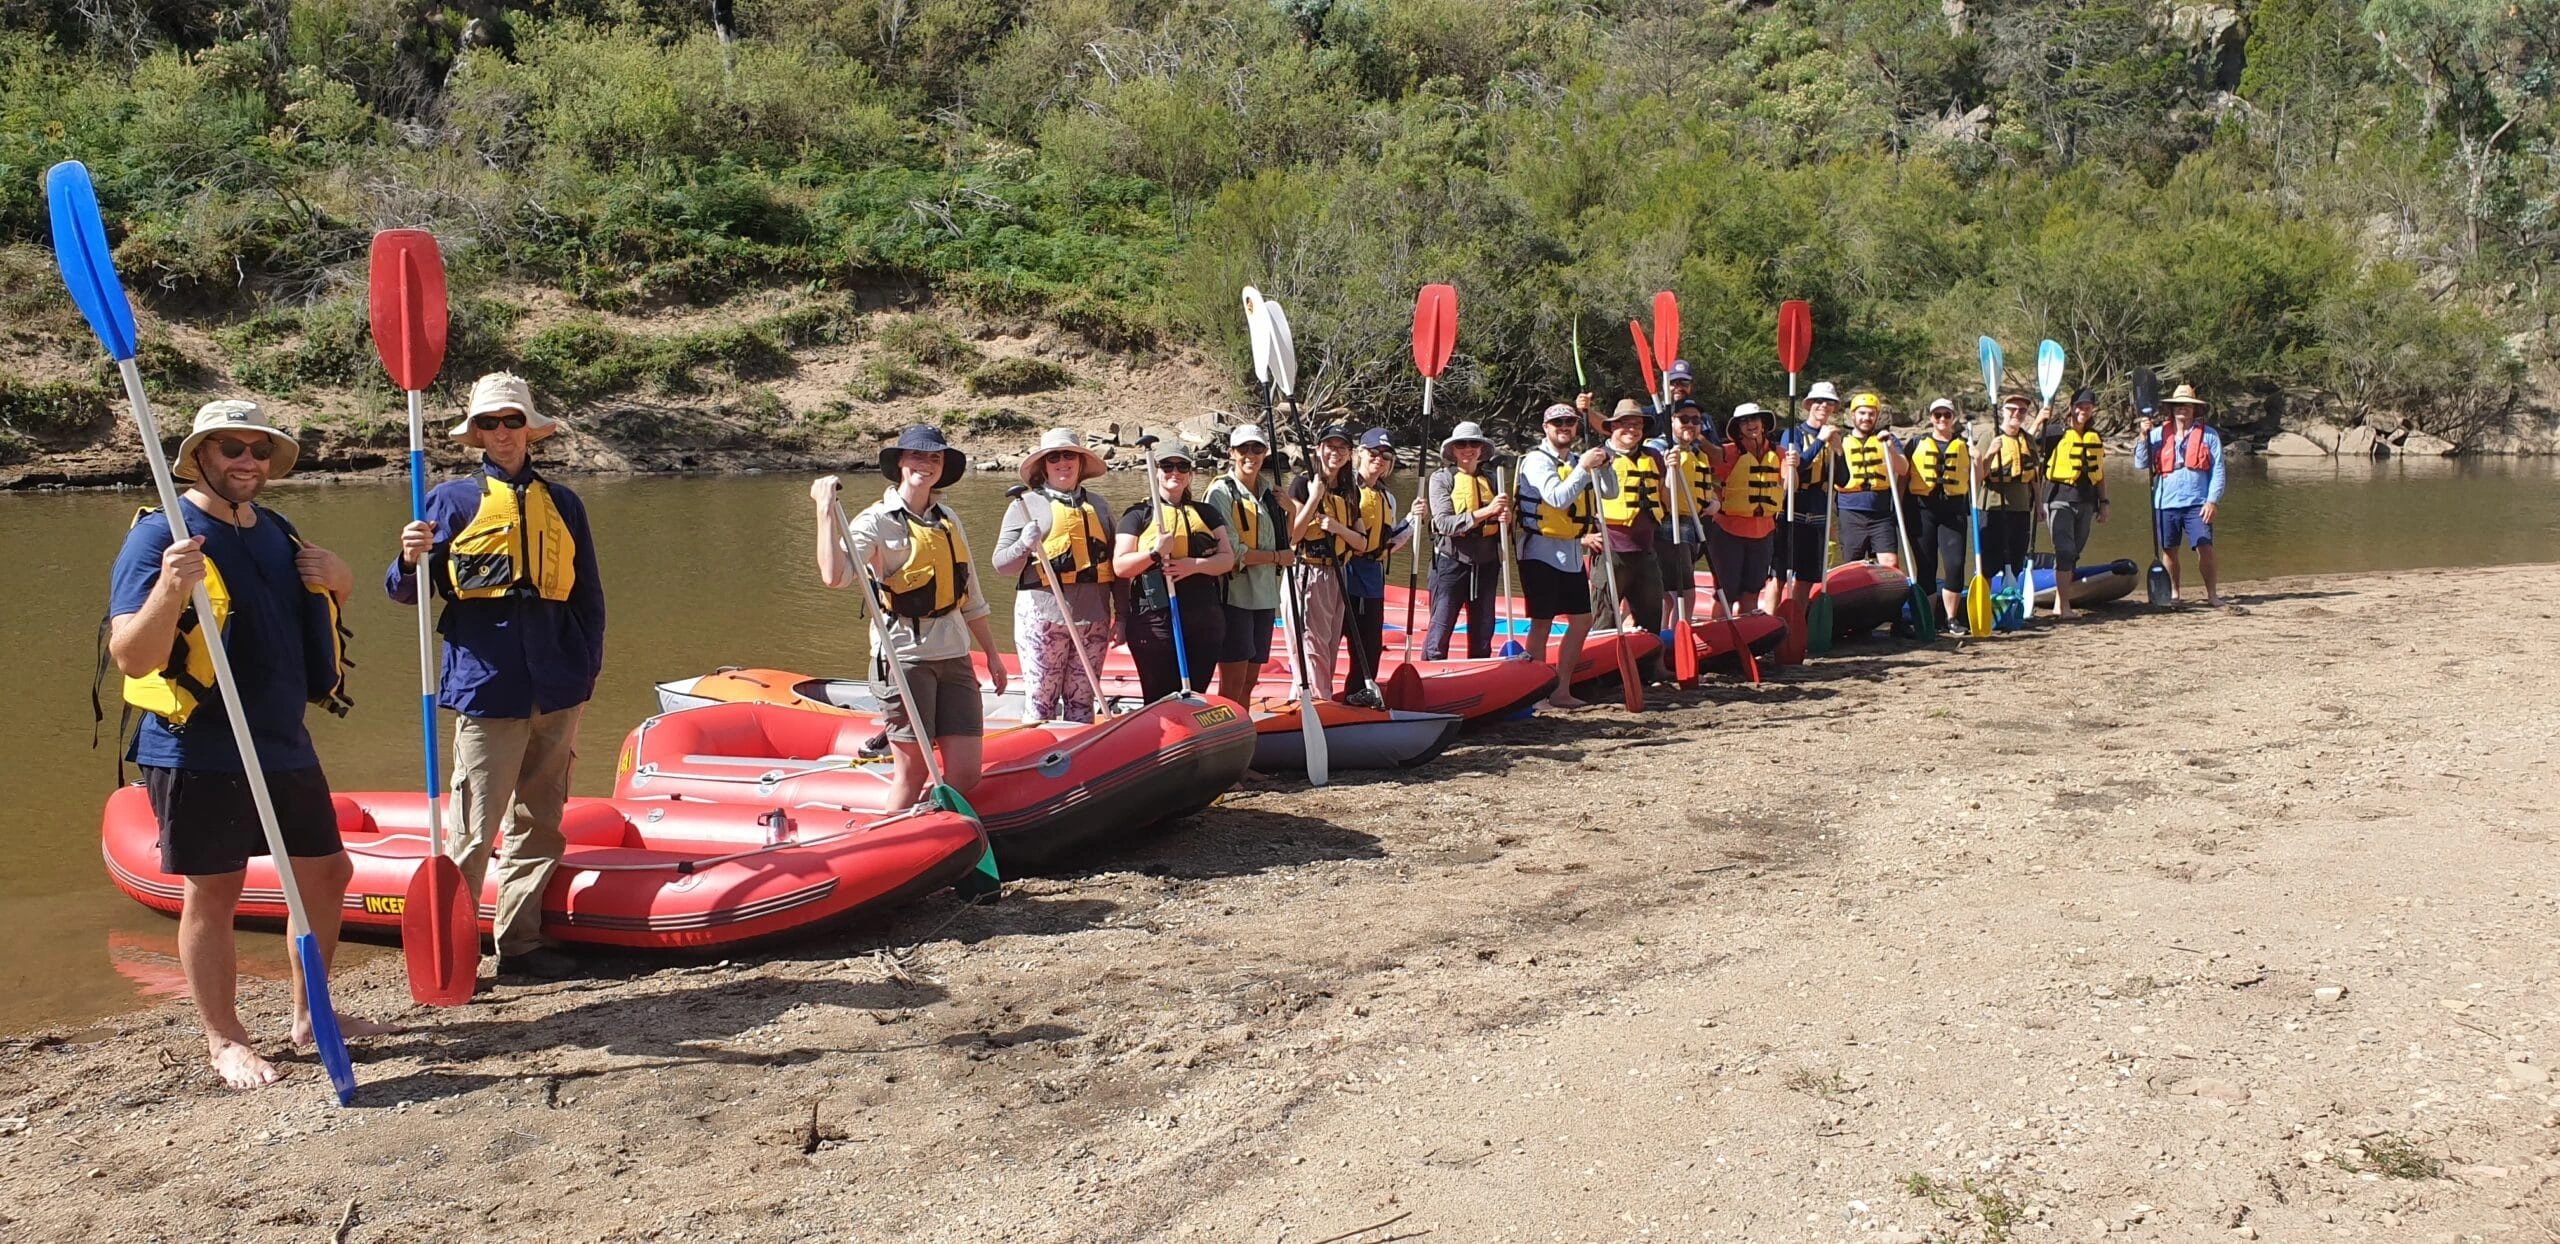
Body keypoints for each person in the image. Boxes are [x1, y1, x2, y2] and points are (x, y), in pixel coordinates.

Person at [110, 400, 387, 1088]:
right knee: (215, 889)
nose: (248, 462)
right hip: (197, 745)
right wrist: (171, 592)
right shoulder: (162, 536)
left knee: (327, 873)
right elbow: (131, 655)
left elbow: (312, 617)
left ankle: (307, 1014)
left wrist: (343, 582)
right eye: (231, 448)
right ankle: (225, 1039)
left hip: (280, 739)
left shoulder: (280, 532)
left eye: (259, 451)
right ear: (200, 455)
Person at [391, 373, 605, 983]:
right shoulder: (448, 501)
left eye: (513, 422)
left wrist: (586, 668)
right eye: (489, 424)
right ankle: (453, 952)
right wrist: (409, 559)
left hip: (559, 686)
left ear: (529, 430)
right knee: (473, 828)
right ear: (476, 435)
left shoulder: (564, 503)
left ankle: (521, 946)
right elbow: (405, 593)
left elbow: (589, 596)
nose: (502, 433)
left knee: (541, 819)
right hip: (489, 688)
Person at [811, 425, 1008, 809]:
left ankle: (930, 823)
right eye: (917, 455)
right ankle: (896, 834)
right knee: (914, 771)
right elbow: (835, 577)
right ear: (900, 462)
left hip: (954, 657)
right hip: (905, 660)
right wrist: (824, 511)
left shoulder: (948, 518)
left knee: (967, 774)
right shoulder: (875, 520)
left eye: (935, 457)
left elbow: (971, 595)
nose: (926, 464)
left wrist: (993, 655)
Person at [991, 427, 1113, 723]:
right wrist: (1024, 544)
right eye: (1054, 457)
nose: (1063, 462)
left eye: (1069, 455)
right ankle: (1039, 757)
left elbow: (1114, 565)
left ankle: (1082, 763)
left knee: (1083, 702)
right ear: (1043, 465)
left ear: (1080, 462)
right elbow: (1001, 564)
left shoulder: (1098, 505)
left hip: (1093, 618)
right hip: (1043, 618)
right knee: (1041, 702)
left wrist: (1121, 615)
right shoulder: (1025, 504)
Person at [1113, 443, 1236, 701]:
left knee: (1194, 694)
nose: (1175, 472)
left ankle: (1193, 736)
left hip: (1203, 618)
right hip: (1154, 620)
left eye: (1182, 467)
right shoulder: (1138, 515)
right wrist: (1155, 553)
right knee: (1159, 697)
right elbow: (1120, 567)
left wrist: (1193, 565)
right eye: (1167, 466)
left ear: (1190, 474)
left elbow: (1227, 559)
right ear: (1156, 471)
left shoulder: (1206, 513)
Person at [1516, 400, 1610, 708]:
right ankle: (1537, 692)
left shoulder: (1578, 460)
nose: (1565, 427)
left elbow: (1611, 493)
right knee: (1542, 622)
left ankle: (1561, 689)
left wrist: (1604, 466)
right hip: (1540, 552)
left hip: (1570, 553)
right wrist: (1584, 468)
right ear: (1546, 428)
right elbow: (1556, 499)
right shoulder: (1536, 461)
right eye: (1558, 424)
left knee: (1582, 620)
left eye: (1569, 422)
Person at [1202, 425, 1292, 706]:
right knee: (1233, 679)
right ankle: (1226, 734)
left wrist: (1293, 509)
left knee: (1251, 679)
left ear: (1266, 453)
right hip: (1235, 597)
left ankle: (1242, 725)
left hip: (1264, 596)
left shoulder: (1270, 493)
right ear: (1232, 453)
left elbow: (1287, 542)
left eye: (1257, 449)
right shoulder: (1221, 493)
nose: (1250, 455)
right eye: (1243, 449)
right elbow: (1234, 551)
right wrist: (1276, 558)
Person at [1287, 425, 1371, 700]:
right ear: (1319, 450)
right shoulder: (1302, 484)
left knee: (1329, 643)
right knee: (1310, 645)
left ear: (1349, 455)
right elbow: (1294, 535)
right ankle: (1313, 700)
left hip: (1337, 574)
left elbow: (1362, 543)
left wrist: (1337, 527)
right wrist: (1314, 498)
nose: (1335, 452)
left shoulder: (1350, 491)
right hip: (1307, 571)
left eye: (1341, 448)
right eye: (1330, 446)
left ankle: (1319, 697)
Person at [1595, 398, 1671, 685]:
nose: (1632, 429)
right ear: (1613, 427)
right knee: (1605, 615)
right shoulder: (1599, 456)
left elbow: (1665, 497)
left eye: (1637, 424)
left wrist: (1673, 474)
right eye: (1625, 424)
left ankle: (1650, 669)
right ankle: (1600, 675)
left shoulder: (1654, 457)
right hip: (1612, 547)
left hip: (1645, 547)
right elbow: (1582, 498)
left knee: (1652, 613)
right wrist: (1585, 535)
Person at [1424, 421, 1510, 661]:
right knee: (1441, 628)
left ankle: (1480, 673)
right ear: (1453, 450)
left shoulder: (1493, 480)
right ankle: (1430, 673)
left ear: (1481, 449)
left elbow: (1507, 525)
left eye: (1474, 443)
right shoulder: (1442, 479)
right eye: (1461, 444)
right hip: (1452, 563)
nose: (1468, 448)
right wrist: (1487, 511)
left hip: (1487, 563)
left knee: (1483, 630)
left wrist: (1507, 517)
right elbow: (1444, 524)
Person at [2137, 383, 2228, 606]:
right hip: (2165, 501)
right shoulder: (2157, 434)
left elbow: (2218, 470)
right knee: (2169, 550)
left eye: (2187, 406)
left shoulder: (2209, 435)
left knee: (2205, 546)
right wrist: (2142, 436)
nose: (2182, 410)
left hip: (2198, 503)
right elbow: (2141, 462)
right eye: (2178, 406)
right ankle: (2175, 593)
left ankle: (2212, 595)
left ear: (2194, 409)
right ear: (2172, 409)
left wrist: (2212, 501)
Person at [1340, 428, 1410, 706]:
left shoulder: (1387, 497)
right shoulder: (1346, 489)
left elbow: (1386, 543)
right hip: (1345, 575)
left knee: (1370, 647)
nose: (1378, 460)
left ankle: (1358, 693)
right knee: (1339, 640)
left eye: (1385, 455)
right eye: (1373, 453)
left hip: (1372, 579)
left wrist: (1413, 523)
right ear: (1359, 454)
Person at [2033, 387, 2110, 619]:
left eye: (2087, 407)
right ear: (2071, 407)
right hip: (2058, 499)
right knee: (2065, 550)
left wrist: (2104, 502)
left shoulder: (2094, 436)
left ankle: (2060, 600)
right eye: (2079, 406)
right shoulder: (2055, 432)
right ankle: (2063, 606)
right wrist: (2038, 422)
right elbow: (2025, 448)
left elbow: (2100, 473)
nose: (2083, 411)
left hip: (2087, 501)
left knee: (2074, 552)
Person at [1903, 398, 1975, 626]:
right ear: (1931, 418)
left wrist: (1979, 459)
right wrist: (1898, 512)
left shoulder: (1965, 445)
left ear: (1953, 417)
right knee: (1926, 566)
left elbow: (1978, 480)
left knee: (1954, 565)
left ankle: (1952, 618)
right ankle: (1927, 619)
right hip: (1922, 510)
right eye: (1937, 415)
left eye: (1947, 415)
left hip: (1953, 511)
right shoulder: (1915, 444)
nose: (1942, 419)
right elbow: (1903, 478)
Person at [1708, 403, 1783, 618]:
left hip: (1764, 533)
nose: (1750, 424)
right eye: (1744, 421)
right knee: (1725, 594)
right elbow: (1707, 475)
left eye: (1754, 419)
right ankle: (1720, 642)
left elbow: (1790, 483)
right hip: (1728, 533)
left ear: (1763, 424)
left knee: (1751, 592)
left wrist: (1791, 468)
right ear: (1737, 428)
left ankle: (1748, 641)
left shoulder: (1779, 452)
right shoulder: (1727, 453)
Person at [1649, 401, 1716, 627]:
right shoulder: (1658, 449)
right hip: (1666, 528)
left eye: (1696, 420)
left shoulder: (1697, 453)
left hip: (1691, 527)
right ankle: (1672, 639)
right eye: (1684, 419)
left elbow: (1704, 489)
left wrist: (1713, 500)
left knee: (1675, 595)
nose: (1690, 424)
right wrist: (1669, 468)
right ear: (1672, 422)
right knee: (1683, 594)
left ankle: (1671, 637)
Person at [1828, 392, 1907, 570]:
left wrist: (1891, 450)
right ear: (1853, 415)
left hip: (1881, 512)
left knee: (1890, 563)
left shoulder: (1888, 439)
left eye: (1871, 414)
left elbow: (1903, 469)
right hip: (1850, 512)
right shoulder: (1841, 441)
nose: (1866, 418)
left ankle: (1887, 596)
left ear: (1877, 416)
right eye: (1862, 413)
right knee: (1852, 564)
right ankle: (1855, 596)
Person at [1776, 381, 1841, 594]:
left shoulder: (1833, 437)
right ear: (1809, 405)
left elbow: (1843, 479)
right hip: (1793, 508)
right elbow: (1796, 464)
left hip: (1818, 511)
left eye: (1829, 402)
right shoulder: (1793, 433)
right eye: (1819, 401)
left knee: (1807, 578)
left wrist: (1838, 450)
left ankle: (1798, 621)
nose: (1824, 406)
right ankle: (1772, 620)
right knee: (1779, 575)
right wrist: (1820, 441)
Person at [1976, 394, 2041, 585]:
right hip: (1992, 508)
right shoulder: (1989, 437)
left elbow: (2035, 476)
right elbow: (1978, 476)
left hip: (2021, 509)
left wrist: (2039, 504)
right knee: (1988, 563)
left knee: (2015, 560)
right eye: (2012, 409)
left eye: (2022, 411)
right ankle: (1985, 606)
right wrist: (1989, 454)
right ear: (2003, 411)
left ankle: (2010, 601)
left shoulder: (2028, 440)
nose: (2017, 414)